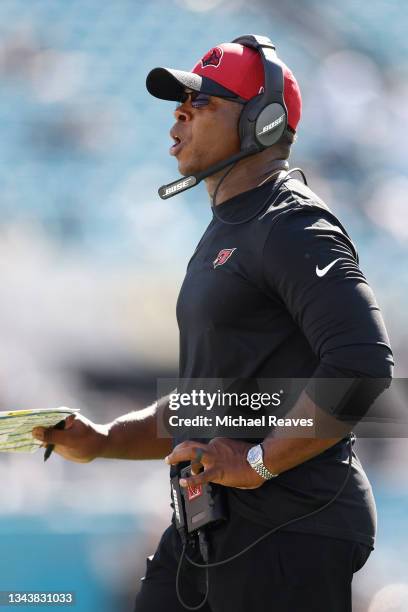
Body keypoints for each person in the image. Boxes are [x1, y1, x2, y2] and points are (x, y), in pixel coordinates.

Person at [32, 36, 393, 612]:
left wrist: (257, 462)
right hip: (210, 525)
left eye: (202, 103)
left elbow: (362, 365)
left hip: (289, 529)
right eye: (179, 104)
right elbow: (210, 401)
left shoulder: (292, 224)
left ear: (264, 122)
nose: (179, 115)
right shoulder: (229, 230)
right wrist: (104, 440)